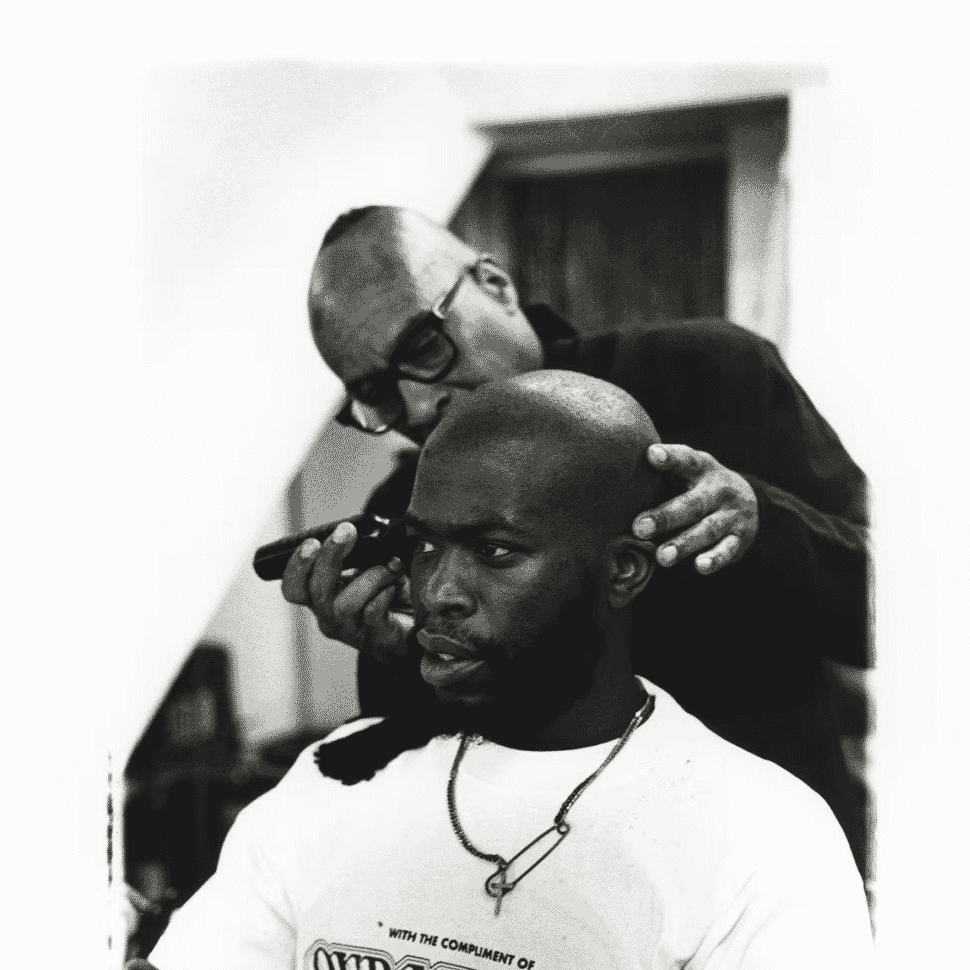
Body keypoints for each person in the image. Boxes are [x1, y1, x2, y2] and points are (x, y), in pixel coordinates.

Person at [123, 371, 873, 970]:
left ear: (622, 570)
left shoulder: (760, 838)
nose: (437, 591)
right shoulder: (341, 776)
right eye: (423, 545)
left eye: (495, 550)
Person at [289, 206, 872, 880]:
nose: (416, 410)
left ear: (495, 287)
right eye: (374, 394)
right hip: (560, 895)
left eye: (422, 348)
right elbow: (432, 777)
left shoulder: (712, 374)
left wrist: (762, 519)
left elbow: (902, 623)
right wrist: (399, 659)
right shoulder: (402, 514)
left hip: (778, 875)